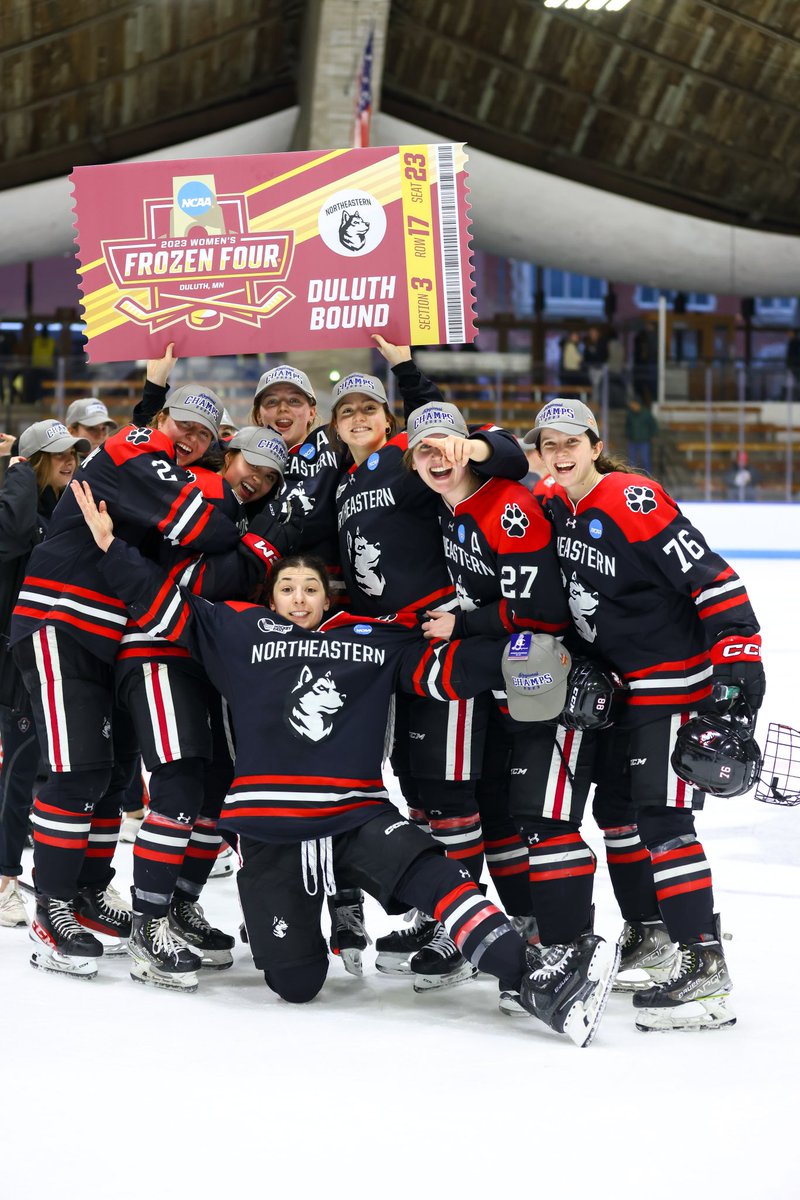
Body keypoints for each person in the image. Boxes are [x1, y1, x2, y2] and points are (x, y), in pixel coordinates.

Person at [70, 489, 620, 1048]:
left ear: (327, 597)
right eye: (287, 588)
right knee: (296, 983)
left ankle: (538, 982)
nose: (300, 597)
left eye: (311, 588)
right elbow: (165, 604)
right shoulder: (238, 629)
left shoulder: (370, 636)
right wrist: (112, 546)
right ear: (271, 595)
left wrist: (518, 659)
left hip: (356, 813)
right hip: (270, 825)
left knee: (440, 878)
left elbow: (442, 672)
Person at [9, 384, 275, 978]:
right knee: (78, 770)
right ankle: (51, 905)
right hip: (61, 618)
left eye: (206, 435)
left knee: (110, 774)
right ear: (160, 420)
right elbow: (202, 528)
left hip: (108, 632)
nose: (193, 440)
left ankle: (85, 892)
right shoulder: (136, 445)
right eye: (185, 426)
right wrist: (245, 534)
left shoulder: (164, 467)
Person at [527, 397, 765, 1031]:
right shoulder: (558, 505)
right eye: (549, 444)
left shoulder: (631, 498)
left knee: (663, 821)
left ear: (595, 442)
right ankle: (653, 936)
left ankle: (704, 965)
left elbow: (712, 579)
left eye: (570, 440)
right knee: (619, 814)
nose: (560, 452)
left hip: (672, 683)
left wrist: (739, 663)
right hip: (627, 690)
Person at [331, 353, 528, 987]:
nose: (358, 418)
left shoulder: (404, 460)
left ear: (390, 419)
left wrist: (409, 373)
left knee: (450, 790)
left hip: (439, 641)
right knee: (416, 787)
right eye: (347, 411)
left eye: (369, 408)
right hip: (394, 653)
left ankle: (462, 926)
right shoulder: (343, 482)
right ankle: (441, 905)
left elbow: (491, 453)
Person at [0, 420, 89, 927]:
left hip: (45, 657)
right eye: (56, 455)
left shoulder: (53, 509)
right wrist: (15, 473)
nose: (69, 460)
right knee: (16, 772)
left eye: (72, 452)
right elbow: (11, 534)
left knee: (37, 770)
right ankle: (3, 878)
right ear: (34, 462)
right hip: (14, 663)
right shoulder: (17, 508)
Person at [624, 395, 658, 474]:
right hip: (632, 440)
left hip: (644, 441)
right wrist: (628, 435)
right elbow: (627, 426)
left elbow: (653, 425)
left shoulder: (646, 413)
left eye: (633, 404)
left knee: (645, 460)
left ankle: (648, 477)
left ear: (637, 404)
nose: (631, 406)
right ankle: (631, 477)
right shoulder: (630, 414)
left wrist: (653, 435)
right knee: (631, 461)